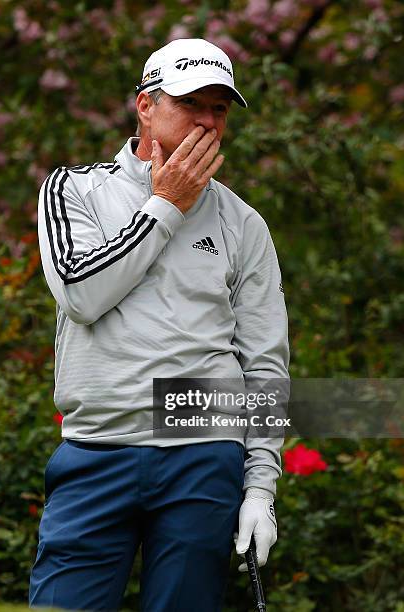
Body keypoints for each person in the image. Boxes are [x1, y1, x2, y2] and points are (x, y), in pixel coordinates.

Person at [29, 38, 289, 611]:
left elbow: (266, 364)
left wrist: (260, 489)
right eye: (189, 101)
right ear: (145, 106)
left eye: (219, 108)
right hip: (97, 449)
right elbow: (81, 294)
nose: (206, 120)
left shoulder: (244, 223)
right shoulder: (75, 190)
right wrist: (166, 205)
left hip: (205, 451)